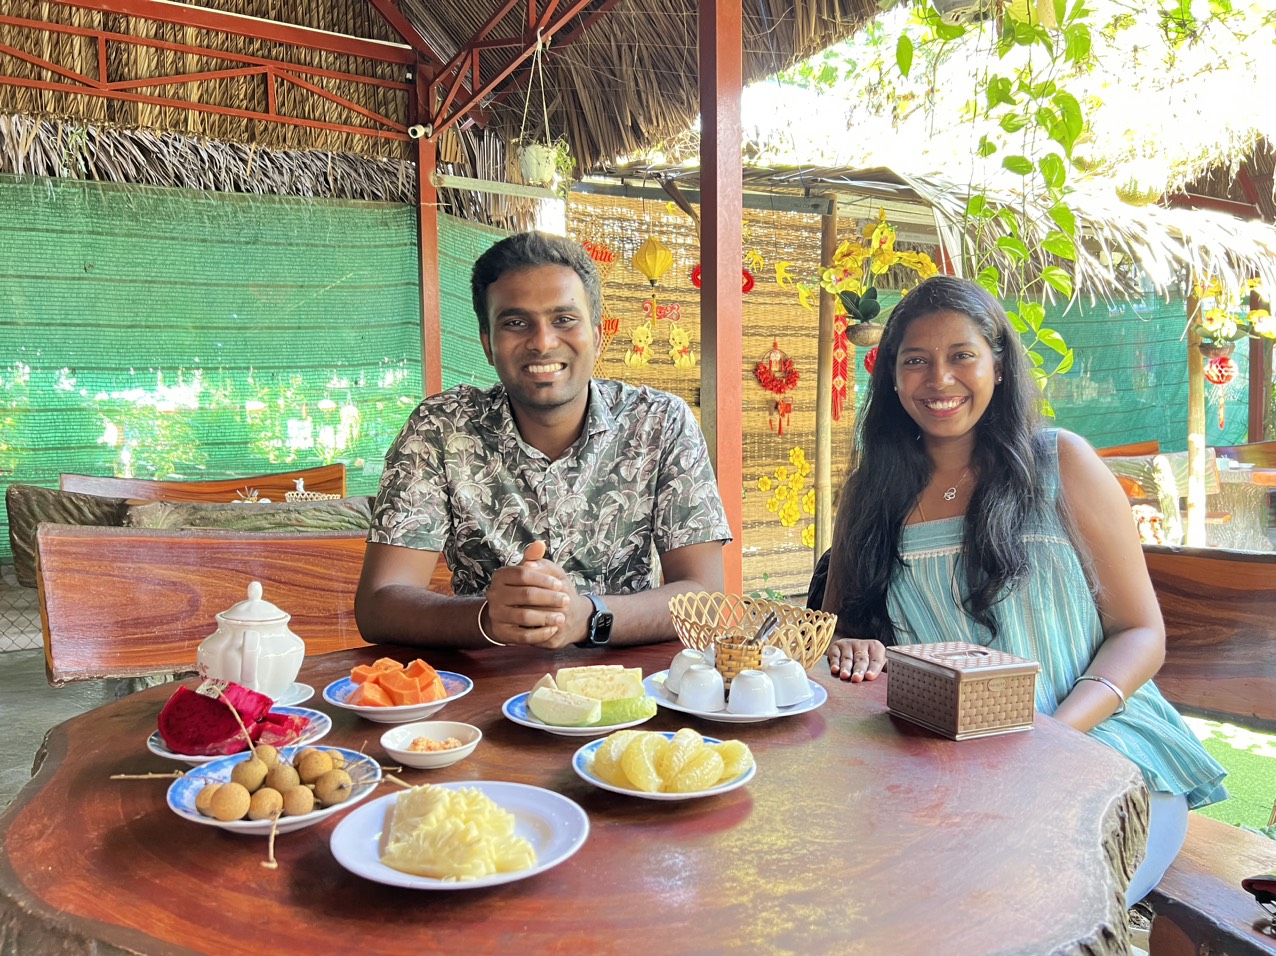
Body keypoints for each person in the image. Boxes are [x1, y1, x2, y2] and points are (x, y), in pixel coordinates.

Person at [820, 275, 1226, 906]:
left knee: (1022, 903)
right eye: (916, 361)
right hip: (949, 769)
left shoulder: (1059, 463)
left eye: (962, 356)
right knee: (880, 900)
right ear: (892, 379)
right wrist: (852, 647)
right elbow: (841, 632)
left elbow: (1141, 632)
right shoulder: (870, 495)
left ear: (999, 366)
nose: (939, 380)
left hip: (1099, 748)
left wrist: (1057, 736)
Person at [356, 231, 730, 650]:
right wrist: (486, 617)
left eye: (564, 319)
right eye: (516, 323)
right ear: (488, 345)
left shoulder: (660, 422)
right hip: (486, 691)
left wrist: (589, 616)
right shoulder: (441, 429)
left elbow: (706, 599)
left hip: (629, 686)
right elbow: (378, 604)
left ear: (598, 334)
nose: (542, 342)